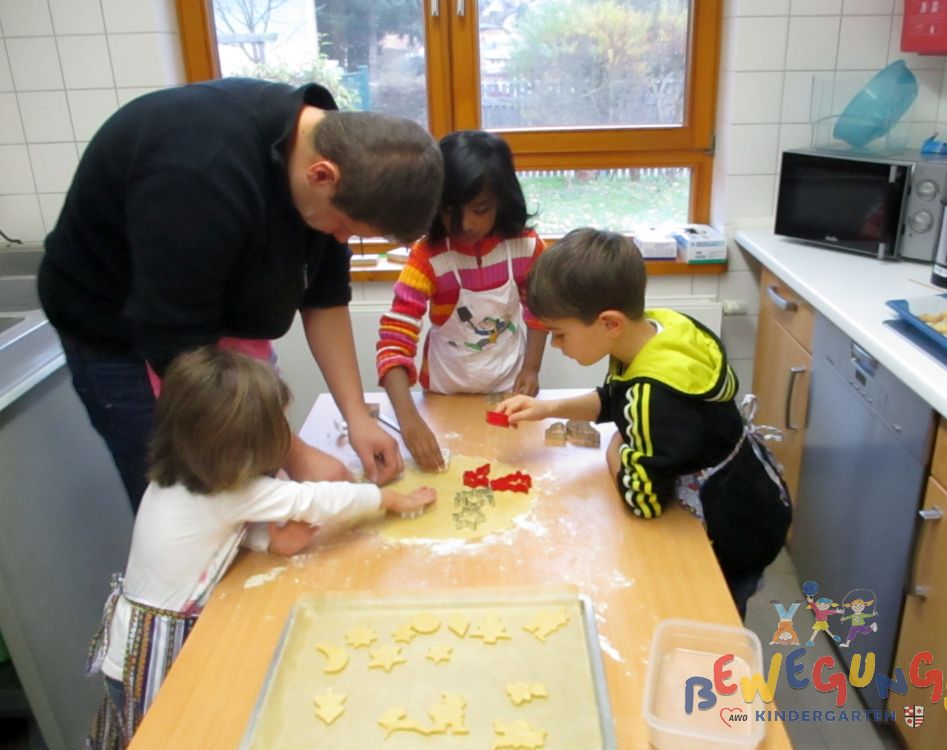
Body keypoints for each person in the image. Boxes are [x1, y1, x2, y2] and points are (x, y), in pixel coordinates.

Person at [38, 77, 444, 511]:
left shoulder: (336, 160)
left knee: (257, 483)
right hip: (126, 336)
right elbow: (179, 349)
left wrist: (356, 416)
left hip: (210, 326)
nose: (341, 240)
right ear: (321, 175)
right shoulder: (198, 172)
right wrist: (296, 452)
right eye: (343, 227)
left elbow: (324, 298)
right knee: (190, 499)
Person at [86, 348, 436, 749]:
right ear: (244, 448)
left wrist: (269, 540)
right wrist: (385, 500)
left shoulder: (176, 479)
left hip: (131, 643)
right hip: (159, 653)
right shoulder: (234, 494)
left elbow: (207, 539)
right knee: (169, 735)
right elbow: (313, 500)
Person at [496, 228, 792, 618]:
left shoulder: (656, 398)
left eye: (559, 333)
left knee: (716, 616)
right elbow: (619, 399)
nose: (556, 345)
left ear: (609, 323)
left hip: (730, 527)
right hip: (755, 488)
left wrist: (616, 448)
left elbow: (644, 499)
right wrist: (550, 408)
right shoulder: (661, 329)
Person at [376, 130, 547, 470]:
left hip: (507, 390)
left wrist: (531, 367)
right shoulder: (427, 258)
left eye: (480, 209)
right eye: (450, 210)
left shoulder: (526, 247)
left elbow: (541, 309)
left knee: (504, 468)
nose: (464, 223)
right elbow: (394, 342)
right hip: (444, 392)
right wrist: (409, 421)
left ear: (502, 198)